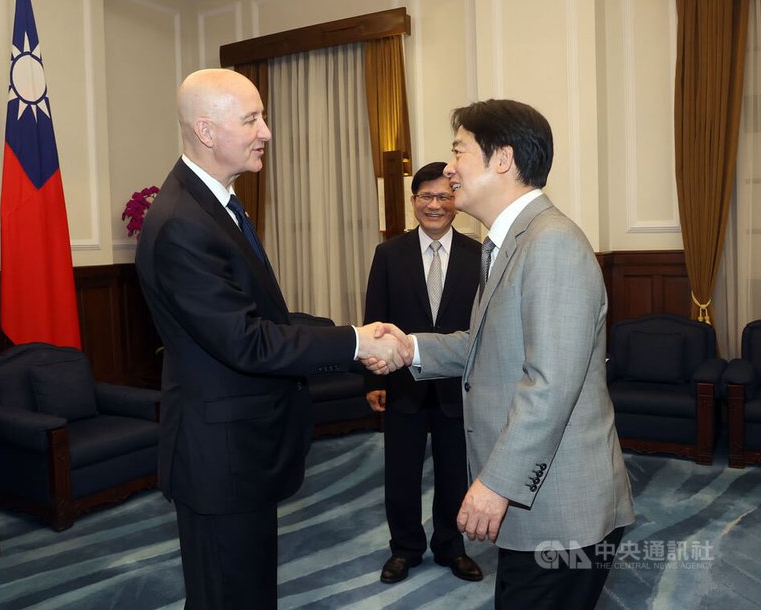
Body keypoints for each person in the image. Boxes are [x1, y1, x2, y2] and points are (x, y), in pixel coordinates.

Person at [135, 68, 406, 609]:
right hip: (221, 460)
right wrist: (356, 345)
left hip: (240, 452)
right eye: (251, 119)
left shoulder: (214, 205)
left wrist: (354, 334)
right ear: (207, 131)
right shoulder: (184, 222)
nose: (267, 132)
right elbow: (248, 342)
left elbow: (263, 317)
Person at [370, 99, 634, 609]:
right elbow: (483, 344)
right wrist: (409, 347)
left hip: (561, 510)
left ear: (503, 159)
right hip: (536, 505)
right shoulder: (509, 243)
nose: (449, 169)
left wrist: (496, 484)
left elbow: (551, 385)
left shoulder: (551, 244)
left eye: (459, 152)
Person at [363, 162, 483, 584]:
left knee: (454, 473)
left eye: (444, 196)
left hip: (457, 386)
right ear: (414, 201)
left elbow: (483, 327)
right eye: (426, 196)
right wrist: (374, 381)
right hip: (402, 385)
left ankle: (451, 546)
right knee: (401, 473)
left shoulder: (478, 255)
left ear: (456, 201)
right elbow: (375, 321)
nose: (435, 205)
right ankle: (405, 549)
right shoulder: (389, 254)